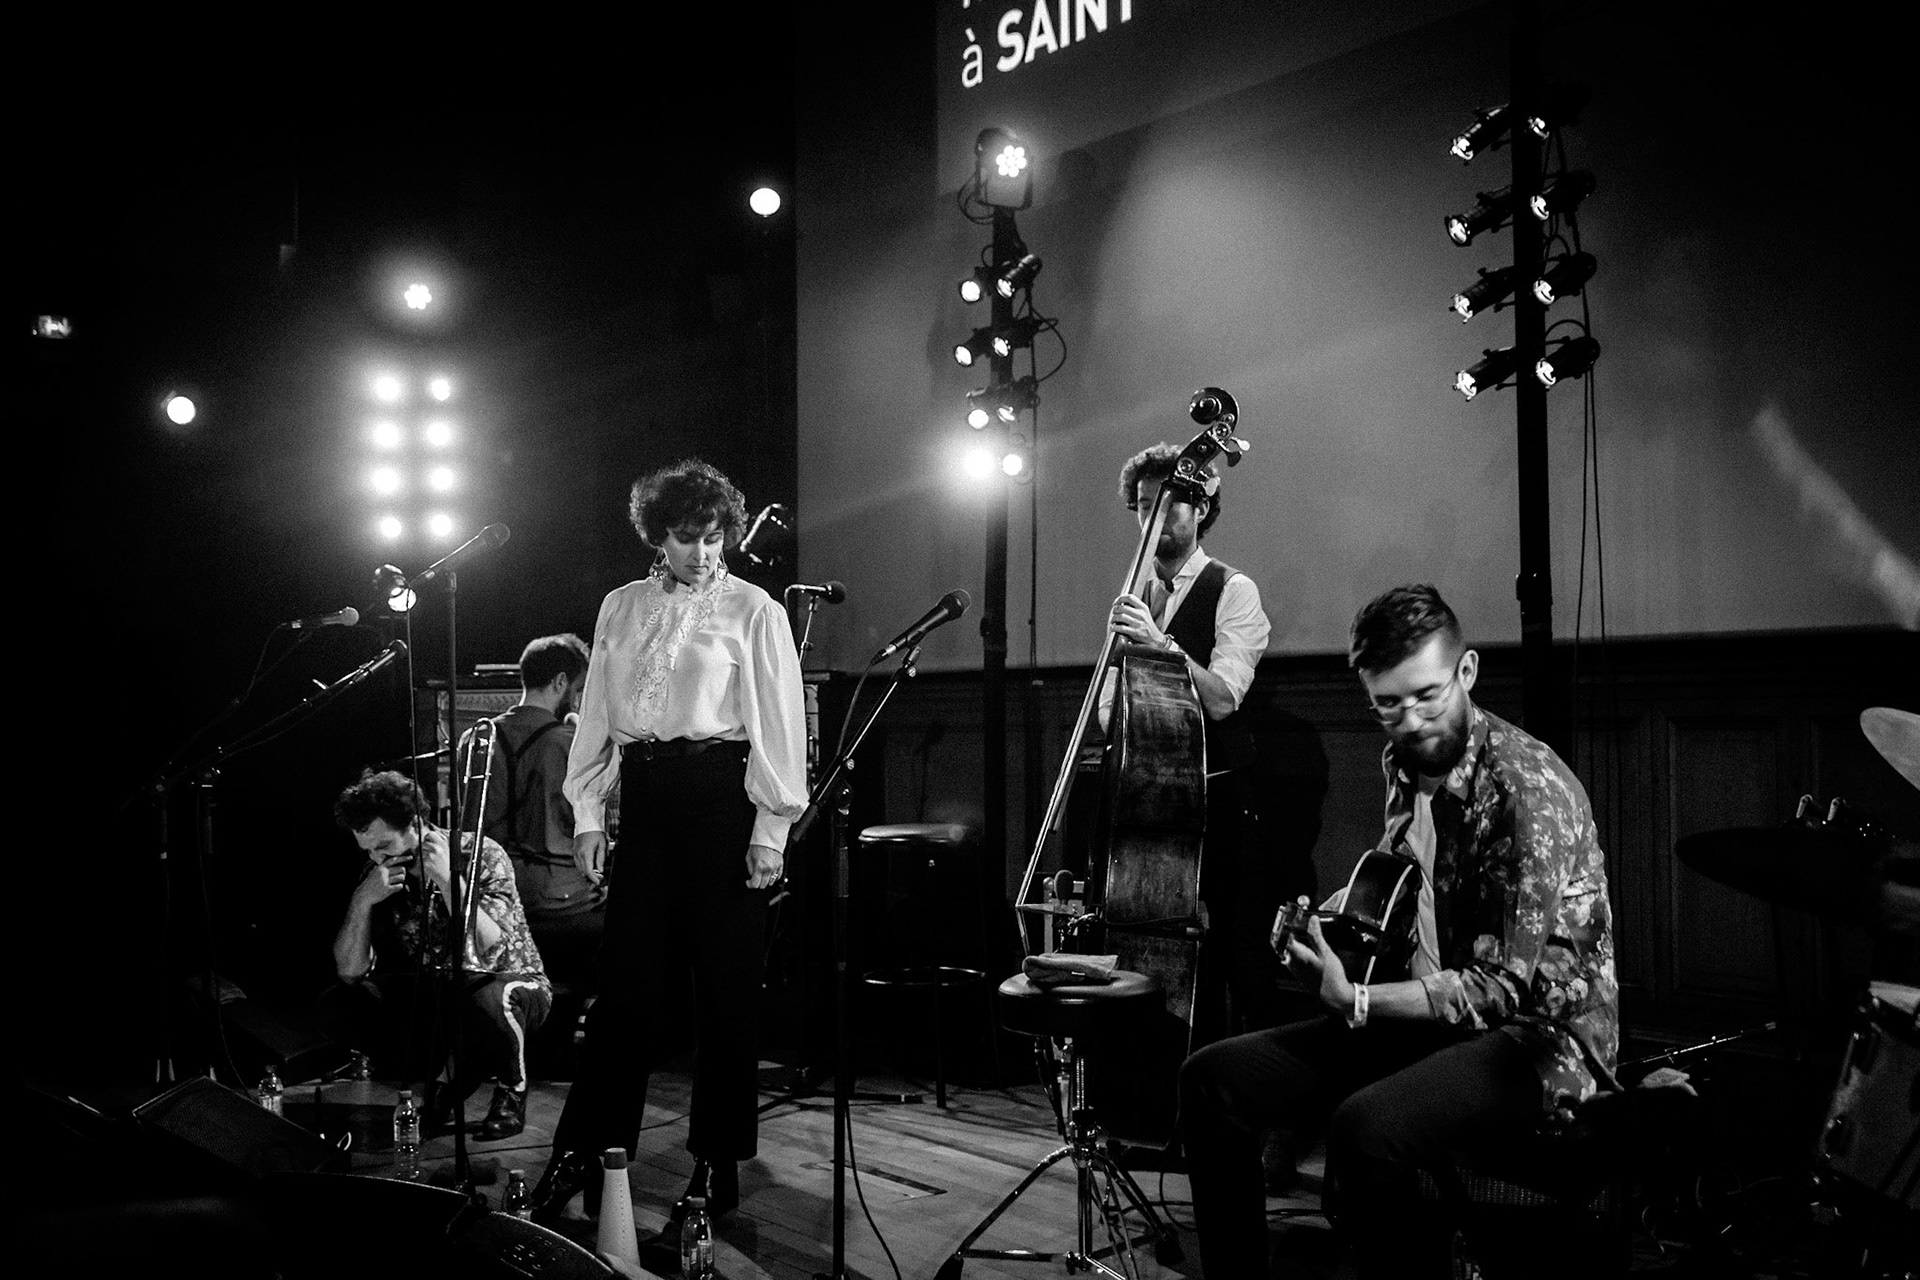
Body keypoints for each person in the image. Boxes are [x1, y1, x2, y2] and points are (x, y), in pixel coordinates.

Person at [1178, 584, 1619, 1277]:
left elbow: (1499, 987)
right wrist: (1320, 930)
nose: (1410, 721)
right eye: (1388, 704)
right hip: (1434, 1020)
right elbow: (1406, 886)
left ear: (1466, 672)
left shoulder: (1525, 791)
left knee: (1367, 1128)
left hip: (1539, 1043)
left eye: (1427, 696)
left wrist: (1354, 1000)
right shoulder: (1407, 762)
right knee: (1212, 1080)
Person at [530, 459, 807, 1242]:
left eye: (714, 536)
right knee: (624, 999)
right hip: (646, 805)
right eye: (687, 538)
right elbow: (595, 719)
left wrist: (770, 832)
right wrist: (588, 811)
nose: (703, 552)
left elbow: (779, 725)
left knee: (726, 995)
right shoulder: (619, 606)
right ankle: (583, 1152)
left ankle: (716, 1164)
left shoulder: (755, 610)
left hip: (723, 802)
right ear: (659, 536)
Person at [1104, 442, 1300, 1038]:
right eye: (1143, 508)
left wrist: (1159, 645)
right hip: (1153, 805)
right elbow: (1112, 711)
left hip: (1222, 806)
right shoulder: (1137, 594)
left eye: (1168, 508)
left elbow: (1222, 698)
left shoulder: (1233, 589)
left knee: (1239, 958)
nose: (1153, 521)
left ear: (1201, 508)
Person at [324, 769, 552, 1140]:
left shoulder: (479, 852)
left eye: (383, 846)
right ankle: (448, 1074)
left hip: (509, 984)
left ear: (415, 824)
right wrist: (362, 901)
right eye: (367, 850)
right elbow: (350, 971)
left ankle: (510, 1091)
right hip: (441, 986)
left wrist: (449, 880)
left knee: (486, 997)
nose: (377, 857)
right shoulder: (379, 871)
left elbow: (490, 948)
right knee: (343, 1003)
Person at [458, 633, 605, 980]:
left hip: (492, 894)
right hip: (558, 899)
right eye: (579, 690)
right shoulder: (569, 742)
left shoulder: (475, 738)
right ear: (561, 682)